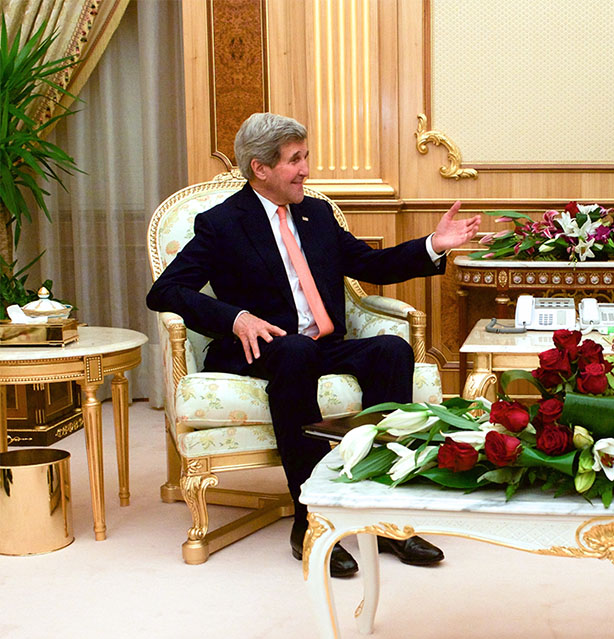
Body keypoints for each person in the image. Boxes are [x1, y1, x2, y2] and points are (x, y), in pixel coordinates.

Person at [148, 112, 480, 578]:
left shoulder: (316, 213)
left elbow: (373, 264)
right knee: (295, 352)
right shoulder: (221, 224)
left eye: (305, 157)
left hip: (319, 344)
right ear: (260, 168)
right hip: (259, 348)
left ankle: (381, 512)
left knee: (391, 349)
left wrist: (433, 244)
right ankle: (311, 517)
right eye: (295, 160)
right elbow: (165, 292)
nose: (306, 169)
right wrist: (236, 318)